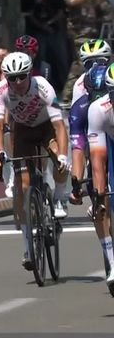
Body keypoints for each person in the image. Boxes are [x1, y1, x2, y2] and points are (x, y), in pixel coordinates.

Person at [0, 52, 69, 270]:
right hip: (23, 131)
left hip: (46, 128)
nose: (17, 82)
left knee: (58, 158)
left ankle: (59, 198)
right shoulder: (0, 90)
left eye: (22, 76)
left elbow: (59, 126)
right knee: (23, 184)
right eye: (12, 78)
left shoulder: (43, 86)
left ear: (29, 73)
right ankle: (27, 246)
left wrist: (62, 155)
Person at [68, 63, 114, 293]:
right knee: (102, 193)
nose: (102, 96)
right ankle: (112, 262)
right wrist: (84, 187)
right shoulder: (88, 108)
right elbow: (87, 154)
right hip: (99, 137)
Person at [62, 0, 108, 102]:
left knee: (87, 64)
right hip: (78, 33)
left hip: (92, 33)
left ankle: (82, 94)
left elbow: (104, 10)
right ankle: (67, 98)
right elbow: (71, 1)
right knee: (81, 63)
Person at [27, 0, 68, 92]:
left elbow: (61, 13)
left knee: (61, 59)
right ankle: (43, 86)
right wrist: (42, 26)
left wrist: (49, 24)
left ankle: (65, 86)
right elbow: (30, 15)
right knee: (42, 60)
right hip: (40, 31)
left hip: (55, 31)